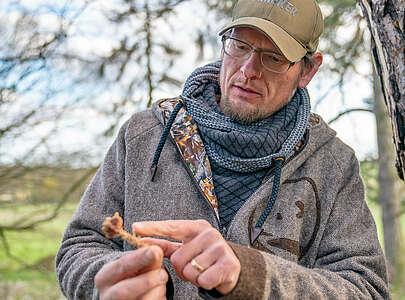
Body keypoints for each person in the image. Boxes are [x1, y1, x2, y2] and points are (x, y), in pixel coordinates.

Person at [55, 0, 390, 299]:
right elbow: (80, 245)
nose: (248, 70)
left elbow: (367, 289)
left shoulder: (332, 162)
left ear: (308, 69)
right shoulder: (142, 135)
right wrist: (105, 283)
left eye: (273, 58)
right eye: (240, 46)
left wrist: (252, 277)